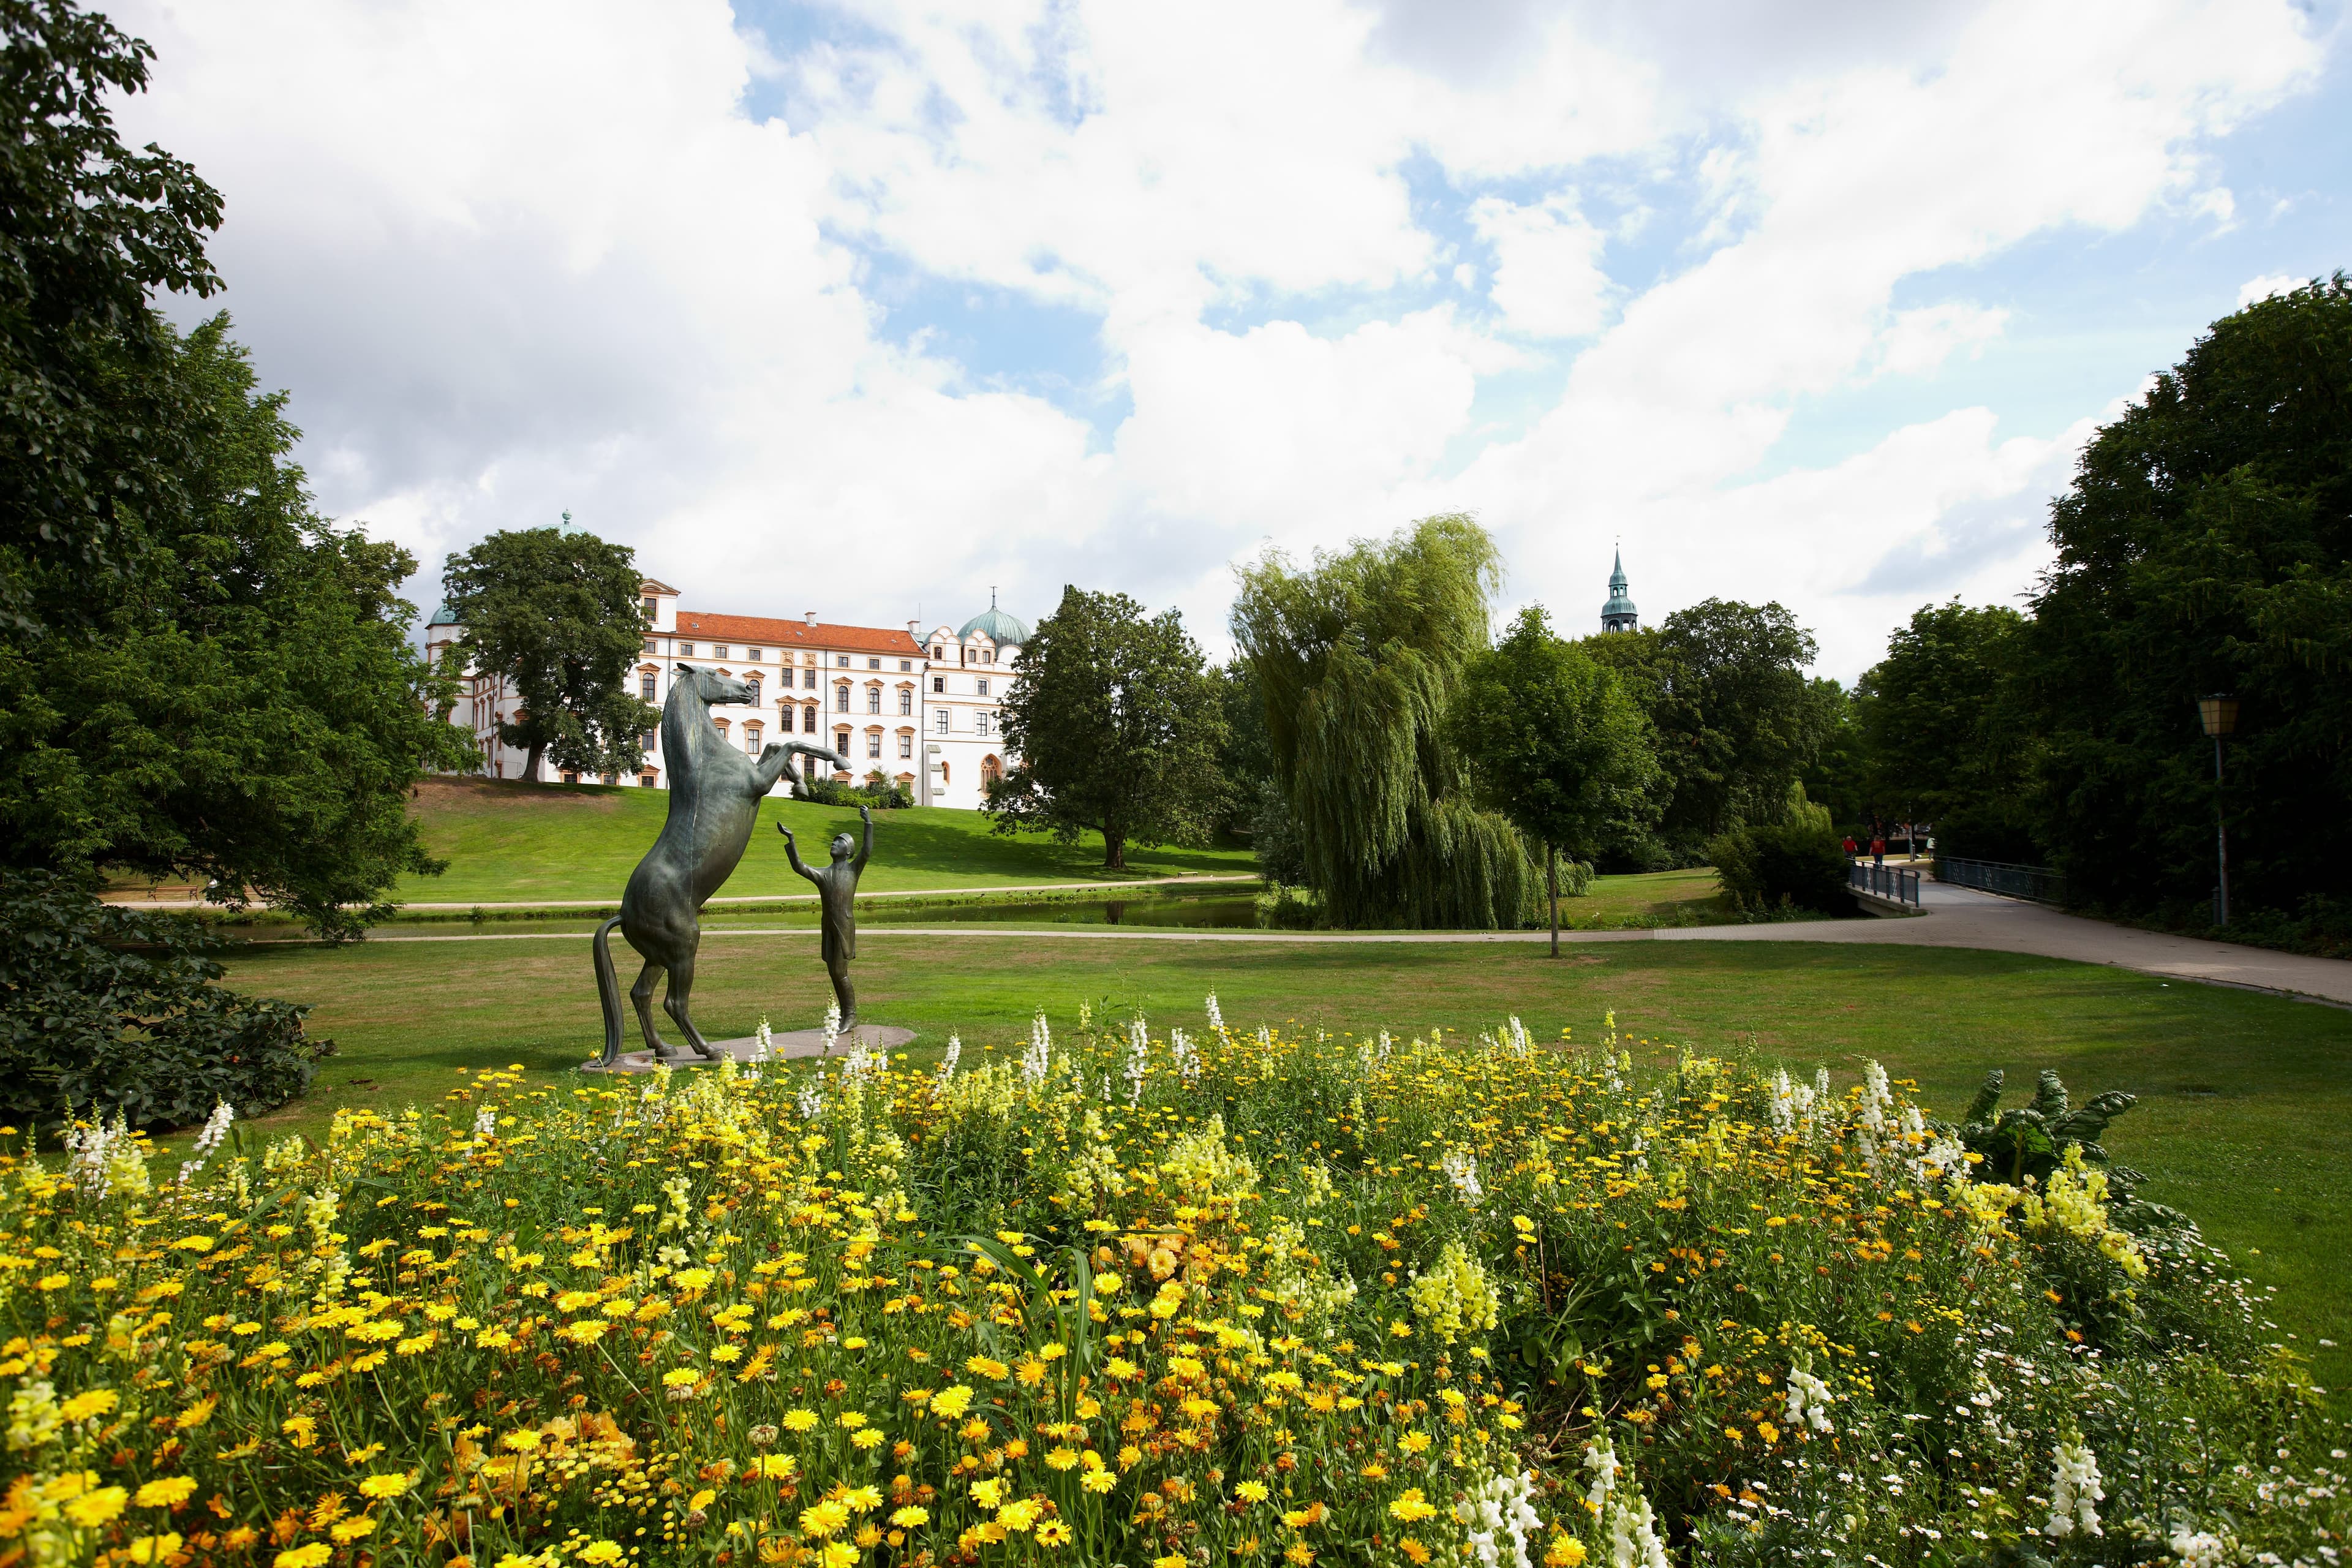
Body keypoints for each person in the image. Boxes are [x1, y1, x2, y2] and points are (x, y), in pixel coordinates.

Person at [778, 806, 872, 1031]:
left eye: (839, 842)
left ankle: (851, 1015)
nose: (834, 844)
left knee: (840, 972)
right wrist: (791, 840)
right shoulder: (824, 875)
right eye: (833, 841)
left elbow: (867, 851)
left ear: (848, 851)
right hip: (828, 927)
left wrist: (868, 823)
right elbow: (799, 867)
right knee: (833, 971)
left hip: (844, 927)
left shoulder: (853, 870)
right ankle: (845, 1016)